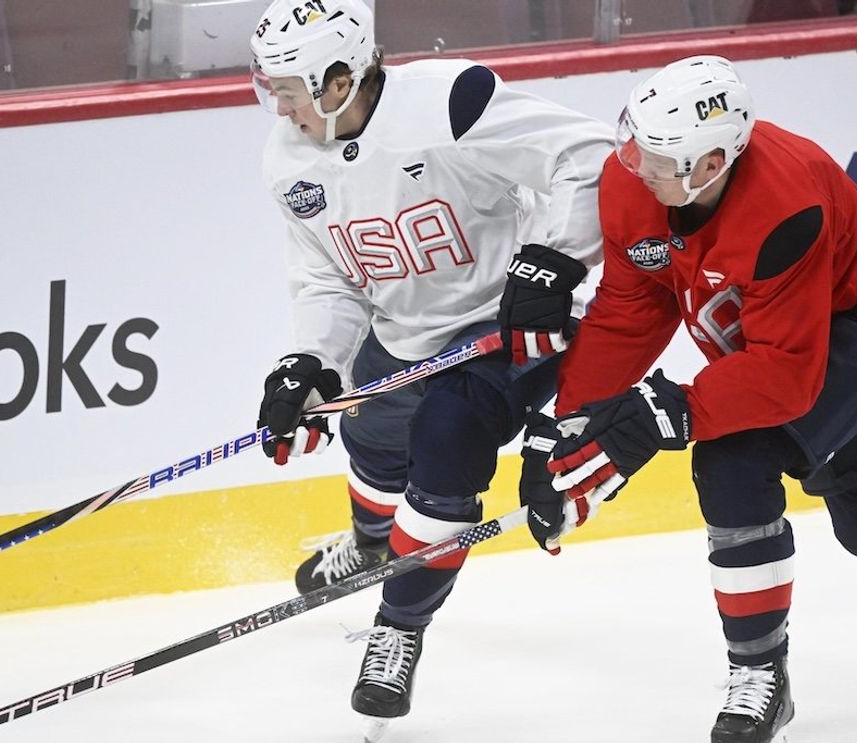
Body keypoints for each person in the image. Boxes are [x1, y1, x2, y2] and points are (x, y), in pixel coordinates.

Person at [518, 55, 857, 742]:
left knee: (731, 455)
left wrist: (663, 410)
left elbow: (786, 374)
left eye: (656, 154)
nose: (631, 160)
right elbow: (631, 307)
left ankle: (760, 676)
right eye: (631, 136)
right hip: (809, 335)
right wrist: (571, 424)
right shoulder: (634, 180)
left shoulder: (782, 204)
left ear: (710, 165)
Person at [248, 0, 613, 729]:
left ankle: (399, 628)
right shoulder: (288, 158)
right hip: (405, 331)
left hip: (501, 326)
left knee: (444, 442)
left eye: (288, 87)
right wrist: (311, 359)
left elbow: (590, 153)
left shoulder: (450, 101)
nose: (276, 105)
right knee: (374, 441)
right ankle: (368, 543)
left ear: (339, 79)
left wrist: (554, 262)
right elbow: (329, 280)